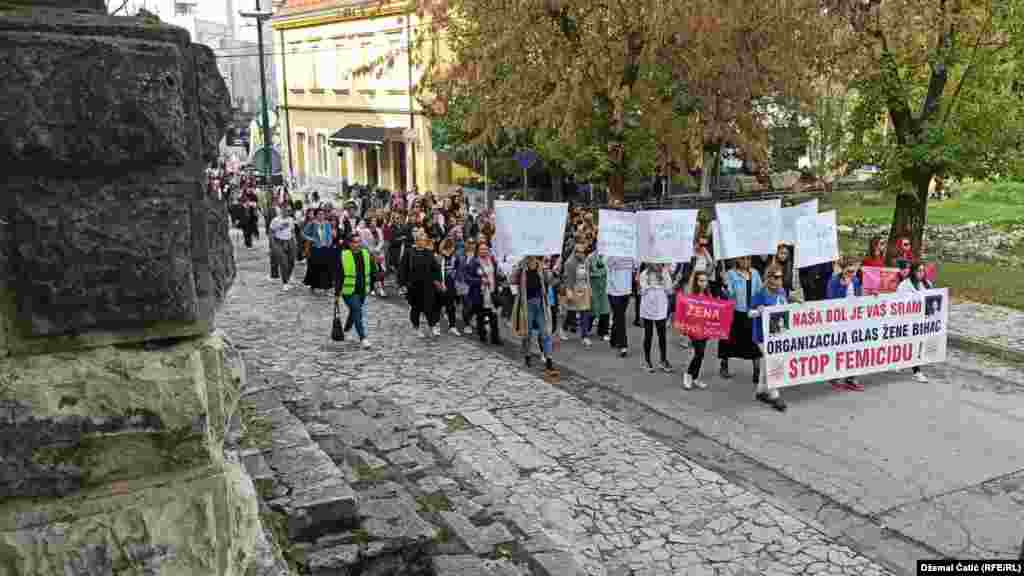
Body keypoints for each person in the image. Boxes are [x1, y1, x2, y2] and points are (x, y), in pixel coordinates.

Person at [749, 263, 788, 411]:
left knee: (766, 362)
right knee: (772, 361)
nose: (779, 280)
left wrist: (795, 302)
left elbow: (784, 307)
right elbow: (749, 313)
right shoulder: (761, 293)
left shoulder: (782, 291)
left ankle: (760, 391)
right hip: (762, 335)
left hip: (777, 333)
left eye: (780, 277)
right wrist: (758, 311)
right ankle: (774, 394)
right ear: (769, 278)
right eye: (776, 277)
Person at [718, 256, 762, 380]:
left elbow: (759, 291)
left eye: (748, 259)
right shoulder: (731, 274)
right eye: (742, 259)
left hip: (751, 312)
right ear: (737, 260)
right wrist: (725, 285)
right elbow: (729, 294)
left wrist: (760, 304)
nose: (746, 261)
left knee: (754, 342)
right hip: (735, 311)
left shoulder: (755, 273)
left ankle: (757, 370)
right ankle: (724, 364)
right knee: (728, 340)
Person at [826, 257, 864, 391]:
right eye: (849, 271)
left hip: (853, 320)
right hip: (838, 321)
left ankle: (851, 378)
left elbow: (859, 298)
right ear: (843, 269)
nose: (852, 274)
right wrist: (843, 286)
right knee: (838, 349)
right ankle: (834, 376)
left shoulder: (856, 280)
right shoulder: (834, 280)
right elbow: (831, 299)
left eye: (854, 271)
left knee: (854, 349)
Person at [682, 270, 724, 390]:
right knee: (698, 353)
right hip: (694, 329)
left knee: (701, 354)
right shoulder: (691, 295)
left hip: (704, 328)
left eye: (705, 281)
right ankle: (688, 375)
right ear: (696, 282)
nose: (703, 283)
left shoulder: (708, 294)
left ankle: (695, 378)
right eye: (701, 281)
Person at [511, 256, 556, 371]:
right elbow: (511, 280)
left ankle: (549, 359)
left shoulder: (542, 269)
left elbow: (551, 281)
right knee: (527, 333)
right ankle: (527, 356)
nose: (532, 260)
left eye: (534, 257)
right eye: (529, 258)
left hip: (541, 305)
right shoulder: (522, 269)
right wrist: (518, 268)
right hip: (526, 305)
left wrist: (551, 272)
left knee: (545, 333)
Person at [335, 233, 376, 348]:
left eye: (358, 242)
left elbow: (373, 269)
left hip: (362, 289)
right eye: (354, 242)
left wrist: (375, 283)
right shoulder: (343, 255)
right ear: (349, 243)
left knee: (354, 311)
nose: (357, 244)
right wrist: (337, 293)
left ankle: (347, 330)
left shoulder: (366, 254)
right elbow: (338, 275)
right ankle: (363, 338)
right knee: (357, 311)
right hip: (348, 290)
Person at [899, 261, 934, 383]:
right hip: (909, 320)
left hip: (923, 320)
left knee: (918, 345)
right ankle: (917, 371)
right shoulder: (905, 285)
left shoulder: (927, 284)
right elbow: (898, 302)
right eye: (919, 270)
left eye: (923, 270)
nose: (921, 273)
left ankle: (905, 363)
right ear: (913, 272)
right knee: (913, 344)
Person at [405, 226, 443, 338]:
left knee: (430, 307)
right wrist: (402, 284)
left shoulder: (429, 253)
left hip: (428, 285)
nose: (423, 242)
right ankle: (416, 327)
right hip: (414, 286)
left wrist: (438, 281)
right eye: (421, 240)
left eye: (425, 240)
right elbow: (403, 269)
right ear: (416, 241)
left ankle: (432, 326)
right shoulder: (409, 253)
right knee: (415, 308)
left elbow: (436, 269)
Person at [464, 242, 502, 345]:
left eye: (485, 249)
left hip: (492, 293)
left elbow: (495, 275)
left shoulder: (492, 261)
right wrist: (480, 281)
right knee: (480, 316)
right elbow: (467, 278)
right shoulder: (473, 262)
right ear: (477, 251)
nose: (484, 251)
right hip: (480, 294)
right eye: (481, 249)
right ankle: (482, 336)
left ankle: (495, 338)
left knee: (494, 316)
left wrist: (499, 281)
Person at [639, 262, 674, 373]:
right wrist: (650, 285)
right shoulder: (644, 274)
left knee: (662, 335)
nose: (656, 264)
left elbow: (669, 290)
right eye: (653, 262)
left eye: (658, 263)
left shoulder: (665, 273)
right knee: (648, 335)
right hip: (648, 307)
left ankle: (663, 360)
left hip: (660, 307)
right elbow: (642, 290)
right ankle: (647, 361)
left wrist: (663, 280)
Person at [563, 241, 595, 347]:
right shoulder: (569, 263)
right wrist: (569, 291)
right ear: (575, 252)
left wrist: (589, 288)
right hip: (574, 289)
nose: (582, 254)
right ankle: (563, 328)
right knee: (571, 312)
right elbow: (568, 278)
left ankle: (584, 336)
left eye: (583, 252)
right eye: (579, 252)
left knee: (585, 312)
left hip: (584, 289)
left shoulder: (585, 261)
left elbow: (587, 276)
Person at [606, 255, 634, 357]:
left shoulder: (630, 253)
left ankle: (613, 339)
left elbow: (635, 265)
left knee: (618, 316)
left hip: (626, 290)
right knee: (620, 317)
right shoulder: (609, 254)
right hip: (613, 290)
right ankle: (623, 345)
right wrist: (617, 259)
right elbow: (607, 263)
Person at [303, 209, 335, 296]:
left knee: (327, 268)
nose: (321, 216)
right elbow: (304, 233)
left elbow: (329, 234)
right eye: (319, 214)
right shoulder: (312, 223)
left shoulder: (327, 224)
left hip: (326, 248)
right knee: (315, 268)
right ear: (316, 215)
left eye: (323, 214)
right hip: (316, 248)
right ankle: (313, 287)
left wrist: (329, 243)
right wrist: (311, 239)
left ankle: (326, 289)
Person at [435, 237, 461, 335]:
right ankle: (436, 325)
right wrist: (439, 284)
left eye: (452, 248)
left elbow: (458, 270)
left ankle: (452, 326)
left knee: (451, 306)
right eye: (449, 248)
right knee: (438, 306)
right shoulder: (439, 258)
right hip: (440, 285)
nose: (451, 250)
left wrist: (455, 276)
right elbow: (435, 273)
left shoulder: (455, 258)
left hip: (451, 285)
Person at [269, 208, 297, 291]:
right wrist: (272, 245)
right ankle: (285, 283)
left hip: (290, 242)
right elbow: (271, 232)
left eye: (289, 210)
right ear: (281, 210)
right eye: (285, 210)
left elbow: (292, 231)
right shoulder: (275, 220)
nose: (287, 212)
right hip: (279, 242)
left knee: (291, 262)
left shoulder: (291, 219)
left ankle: (287, 278)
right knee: (283, 263)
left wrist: (294, 241)